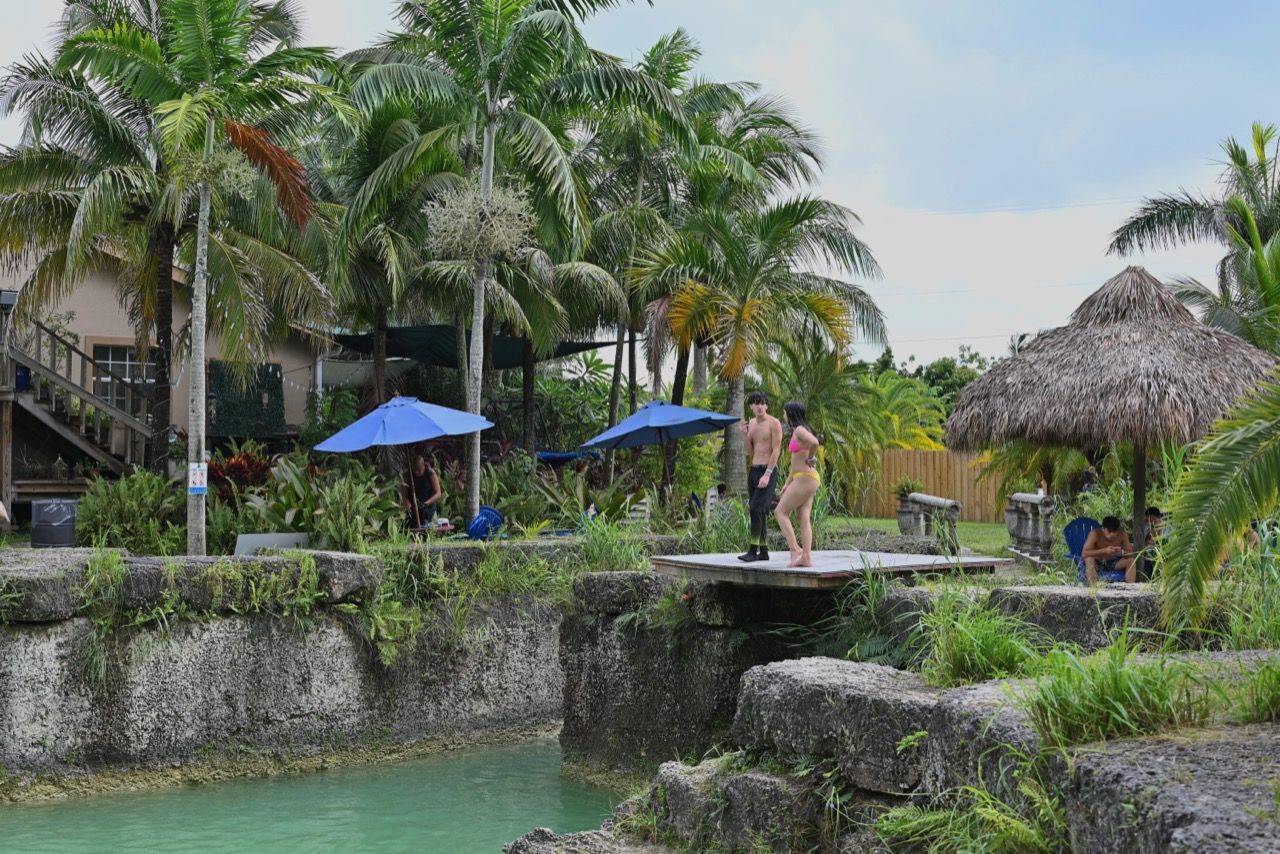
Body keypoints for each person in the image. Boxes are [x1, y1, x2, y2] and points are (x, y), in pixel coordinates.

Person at [774, 401, 821, 568]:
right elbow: (794, 464)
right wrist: (788, 483)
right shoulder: (799, 430)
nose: (783, 415)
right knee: (803, 518)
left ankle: (795, 550)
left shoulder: (800, 430)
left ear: (791, 413)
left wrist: (811, 458)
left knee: (780, 512)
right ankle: (806, 558)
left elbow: (815, 442)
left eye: (785, 412)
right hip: (803, 477)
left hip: (806, 478)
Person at [738, 392, 782, 562]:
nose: (759, 406)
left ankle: (752, 550)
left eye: (762, 403)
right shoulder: (752, 424)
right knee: (760, 512)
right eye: (756, 403)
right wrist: (744, 434)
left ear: (767, 406)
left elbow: (776, 450)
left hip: (768, 471)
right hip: (754, 470)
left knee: (755, 508)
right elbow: (749, 451)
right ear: (751, 407)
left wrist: (768, 474)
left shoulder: (774, 423)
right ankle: (763, 552)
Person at [1082, 515, 1135, 584]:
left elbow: (1130, 553)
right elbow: (1084, 553)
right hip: (1097, 562)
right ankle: (1093, 589)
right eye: (1109, 531)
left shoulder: (1122, 534)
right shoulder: (1095, 534)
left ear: (1118, 530)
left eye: (1115, 531)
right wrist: (1104, 551)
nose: (1112, 534)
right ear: (1103, 529)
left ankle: (1131, 589)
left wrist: (1121, 552)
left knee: (1131, 561)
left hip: (1113, 562)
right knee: (1089, 560)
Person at [405, 455, 441, 530]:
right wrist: (407, 504)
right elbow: (404, 495)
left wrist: (425, 503)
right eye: (414, 469)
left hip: (428, 508)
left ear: (423, 466)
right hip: (414, 510)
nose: (416, 472)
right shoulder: (408, 475)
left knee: (428, 529)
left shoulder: (430, 473)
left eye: (419, 469)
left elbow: (438, 493)